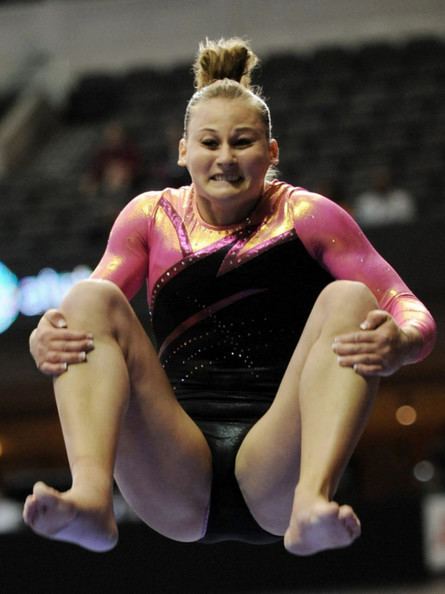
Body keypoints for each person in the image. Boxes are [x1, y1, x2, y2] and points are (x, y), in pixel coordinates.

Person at [24, 38, 436, 556]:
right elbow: (87, 318)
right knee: (88, 299)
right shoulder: (150, 218)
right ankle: (89, 498)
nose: (225, 158)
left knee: (350, 298)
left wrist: (402, 342)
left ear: (272, 151)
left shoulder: (308, 216)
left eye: (242, 142)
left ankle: (313, 503)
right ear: (183, 150)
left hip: (276, 465)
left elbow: (411, 309)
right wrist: (49, 332)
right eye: (210, 143)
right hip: (175, 470)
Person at [352, 165, 417, 227]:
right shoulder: (364, 201)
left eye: (383, 177)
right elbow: (362, 225)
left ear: (389, 177)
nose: (381, 180)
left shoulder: (402, 197)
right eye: (377, 177)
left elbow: (408, 221)